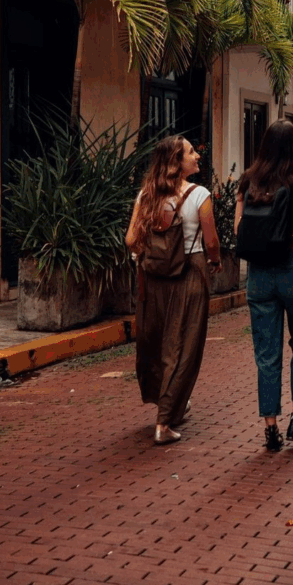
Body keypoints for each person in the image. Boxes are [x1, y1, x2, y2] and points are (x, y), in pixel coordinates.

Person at [234, 120, 293, 452]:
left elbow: (238, 229)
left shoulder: (248, 180)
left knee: (266, 352)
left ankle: (270, 427)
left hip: (258, 274)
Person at [125, 136, 221, 445]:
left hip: (152, 276)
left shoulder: (146, 196)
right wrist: (216, 262)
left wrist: (153, 251)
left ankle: (171, 404)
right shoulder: (199, 195)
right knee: (184, 346)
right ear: (176, 163)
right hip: (190, 273)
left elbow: (130, 241)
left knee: (157, 343)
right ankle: (164, 423)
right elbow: (211, 242)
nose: (197, 155)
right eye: (191, 152)